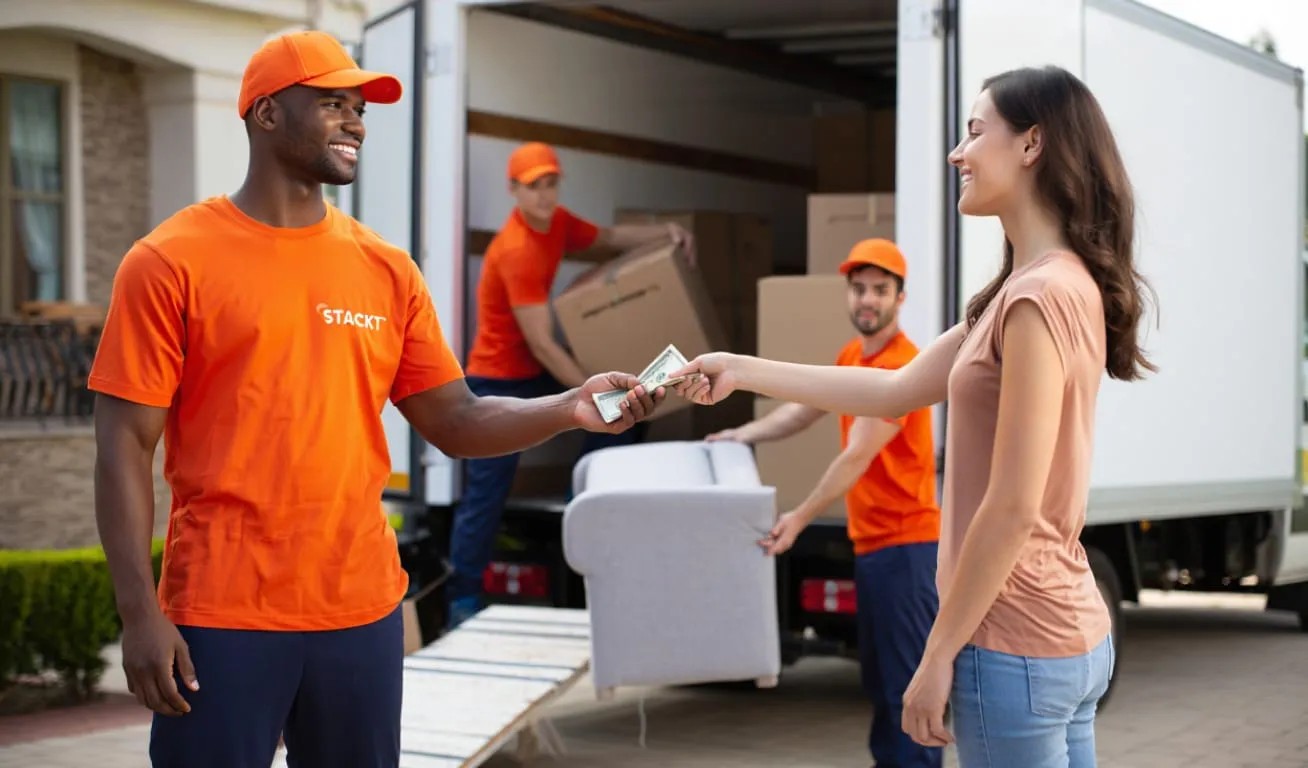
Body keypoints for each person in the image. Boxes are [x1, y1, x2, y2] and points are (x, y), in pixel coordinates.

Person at [89, 30, 662, 768]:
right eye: (332, 104)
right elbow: (123, 446)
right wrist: (139, 615)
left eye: (359, 108)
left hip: (360, 612)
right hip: (224, 613)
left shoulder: (385, 269)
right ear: (266, 114)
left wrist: (566, 407)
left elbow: (456, 420)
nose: (356, 121)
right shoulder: (170, 261)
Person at [672, 65, 1154, 767]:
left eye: (975, 130)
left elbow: (1012, 507)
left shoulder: (1032, 302)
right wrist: (739, 368)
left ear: (1031, 145)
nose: (959, 153)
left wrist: (937, 653)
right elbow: (891, 390)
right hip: (1070, 634)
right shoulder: (1048, 287)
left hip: (1012, 642)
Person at [707, 238, 943, 768]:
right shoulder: (852, 357)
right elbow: (801, 412)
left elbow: (857, 455)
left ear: (900, 298)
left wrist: (800, 517)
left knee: (904, 690)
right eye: (859, 289)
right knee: (882, 688)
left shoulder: (901, 365)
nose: (867, 300)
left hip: (906, 549)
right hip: (874, 546)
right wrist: (742, 435)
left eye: (880, 290)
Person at [446, 141, 695, 626]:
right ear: (513, 190)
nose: (543, 195)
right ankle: (462, 599)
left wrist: (668, 232)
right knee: (487, 494)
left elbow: (608, 237)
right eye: (533, 187)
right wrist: (600, 397)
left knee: (631, 416)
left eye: (550, 184)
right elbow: (542, 344)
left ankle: (580, 501)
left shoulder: (557, 224)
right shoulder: (515, 250)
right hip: (497, 380)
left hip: (531, 374)